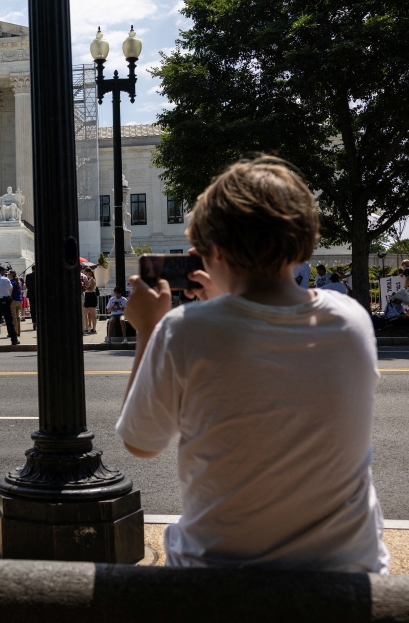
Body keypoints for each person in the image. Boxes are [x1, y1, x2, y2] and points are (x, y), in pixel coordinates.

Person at [118, 157, 388, 573]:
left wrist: (148, 329)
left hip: (221, 576)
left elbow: (142, 442)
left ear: (216, 252)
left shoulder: (183, 331)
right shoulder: (350, 319)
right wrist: (218, 310)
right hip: (347, 572)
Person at [82, 267, 99, 334]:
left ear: (88, 272)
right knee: (84, 313)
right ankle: (86, 327)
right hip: (87, 296)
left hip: (91, 296)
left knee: (92, 314)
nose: (84, 273)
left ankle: (93, 329)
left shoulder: (92, 279)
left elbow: (91, 289)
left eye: (85, 272)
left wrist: (85, 286)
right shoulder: (89, 279)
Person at [8, 270, 23, 336]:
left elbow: (10, 292)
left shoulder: (11, 282)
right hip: (19, 300)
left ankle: (15, 332)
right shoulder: (19, 282)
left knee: (14, 317)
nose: (8, 275)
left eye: (8, 274)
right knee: (18, 317)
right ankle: (18, 331)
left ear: (11, 275)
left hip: (13, 300)